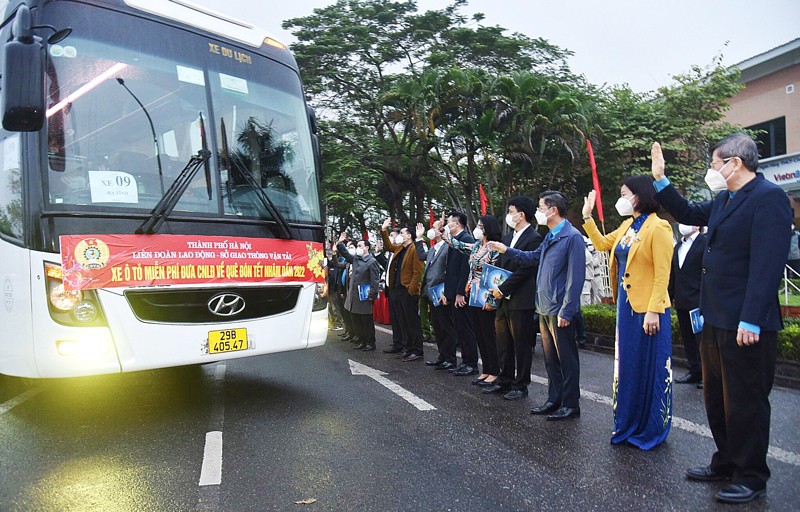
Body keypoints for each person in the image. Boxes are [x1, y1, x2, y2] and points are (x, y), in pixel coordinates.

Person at [652, 135, 792, 504]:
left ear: (736, 163)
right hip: (714, 317)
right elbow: (686, 213)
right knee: (717, 397)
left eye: (715, 163)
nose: (712, 170)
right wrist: (661, 180)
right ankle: (726, 460)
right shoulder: (723, 199)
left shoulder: (769, 198)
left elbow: (767, 264)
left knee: (746, 400)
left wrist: (752, 319)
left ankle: (751, 475)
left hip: (746, 322)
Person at [582, 175, 674, 446]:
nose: (620, 198)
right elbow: (601, 244)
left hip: (648, 310)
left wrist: (654, 309)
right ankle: (628, 422)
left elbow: (662, 273)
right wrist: (587, 217)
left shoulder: (659, 227)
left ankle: (650, 427)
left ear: (639, 195)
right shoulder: (626, 226)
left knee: (650, 367)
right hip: (625, 307)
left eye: (624, 193)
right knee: (628, 366)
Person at [490, 191, 585, 419]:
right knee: (551, 360)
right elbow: (533, 258)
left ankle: (570, 404)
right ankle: (554, 399)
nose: (539, 213)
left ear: (553, 210)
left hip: (559, 309)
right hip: (544, 307)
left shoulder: (572, 237)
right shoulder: (551, 236)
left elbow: (576, 277)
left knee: (566, 359)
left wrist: (568, 310)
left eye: (541, 208)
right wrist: (507, 250)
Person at [482, 196, 543, 401]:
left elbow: (526, 269)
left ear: (521, 215)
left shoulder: (534, 238)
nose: (509, 215)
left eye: (511, 211)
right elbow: (499, 266)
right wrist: (494, 288)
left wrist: (504, 287)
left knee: (521, 344)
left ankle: (521, 384)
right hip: (502, 297)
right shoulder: (507, 239)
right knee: (503, 341)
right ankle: (505, 378)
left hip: (520, 297)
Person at [442, 215, 502, 386]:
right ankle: (487, 370)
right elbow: (457, 245)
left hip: (487, 294)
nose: (478, 228)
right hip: (473, 293)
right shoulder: (476, 246)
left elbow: (496, 274)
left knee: (489, 334)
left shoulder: (495, 248)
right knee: (480, 334)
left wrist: (491, 299)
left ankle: (495, 370)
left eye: (481, 226)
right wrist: (443, 231)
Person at [380, 219, 425, 361]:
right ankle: (408, 347)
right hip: (397, 289)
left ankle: (417, 350)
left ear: (409, 236)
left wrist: (411, 289)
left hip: (407, 290)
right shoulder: (400, 248)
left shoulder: (414, 248)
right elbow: (388, 245)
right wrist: (384, 230)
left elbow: (417, 272)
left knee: (412, 322)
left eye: (402, 233)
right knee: (403, 321)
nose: (400, 235)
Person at [440, 211, 478, 376]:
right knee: (459, 329)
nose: (447, 225)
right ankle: (465, 361)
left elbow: (466, 270)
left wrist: (461, 292)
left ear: (457, 224)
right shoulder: (455, 242)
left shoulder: (466, 240)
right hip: (453, 291)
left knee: (466, 329)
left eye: (449, 222)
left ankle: (471, 363)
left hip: (461, 293)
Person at [669, 224, 707, 388]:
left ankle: (707, 374)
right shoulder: (678, 246)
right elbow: (674, 273)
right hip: (682, 300)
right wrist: (669, 296)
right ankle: (694, 370)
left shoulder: (704, 242)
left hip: (698, 300)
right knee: (688, 339)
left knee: (702, 340)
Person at [414, 220, 453, 369]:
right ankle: (442, 356)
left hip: (442, 292)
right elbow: (421, 256)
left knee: (446, 327)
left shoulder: (448, 247)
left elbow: (449, 270)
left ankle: (450, 358)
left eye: (434, 228)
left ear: (442, 231)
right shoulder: (433, 248)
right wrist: (418, 238)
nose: (431, 230)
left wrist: (446, 290)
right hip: (431, 292)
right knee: (437, 326)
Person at [336, 233, 382, 351]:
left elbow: (375, 280)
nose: (358, 248)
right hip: (354, 295)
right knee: (356, 319)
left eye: (360, 246)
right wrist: (340, 243)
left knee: (366, 320)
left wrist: (372, 294)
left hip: (365, 296)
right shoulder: (356, 259)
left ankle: (370, 342)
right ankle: (361, 340)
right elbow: (345, 253)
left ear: (366, 248)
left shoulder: (372, 261)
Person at [381, 228, 406, 354]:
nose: (392, 238)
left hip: (399, 290)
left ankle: (404, 344)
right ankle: (397, 343)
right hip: (390, 289)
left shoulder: (402, 251)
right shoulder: (392, 252)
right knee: (395, 319)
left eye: (394, 235)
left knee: (402, 318)